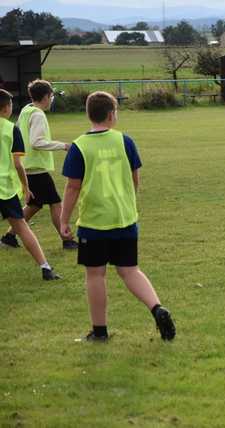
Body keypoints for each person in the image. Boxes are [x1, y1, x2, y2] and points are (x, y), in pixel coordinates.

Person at [60, 91, 175, 342]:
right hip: (125, 219)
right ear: (112, 115)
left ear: (88, 114)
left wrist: (63, 219)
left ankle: (100, 331)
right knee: (130, 270)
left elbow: (73, 187)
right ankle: (157, 308)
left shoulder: (79, 146)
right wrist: (126, 200)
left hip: (94, 222)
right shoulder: (126, 141)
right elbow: (135, 178)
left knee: (95, 275)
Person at [1, 79, 78, 250]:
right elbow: (37, 142)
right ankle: (67, 239)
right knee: (56, 203)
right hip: (35, 168)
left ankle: (9, 237)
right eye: (51, 96)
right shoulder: (37, 114)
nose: (52, 99)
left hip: (26, 165)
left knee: (34, 205)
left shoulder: (26, 111)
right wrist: (64, 146)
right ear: (45, 96)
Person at [0, 89, 60, 280]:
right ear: (7, 108)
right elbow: (17, 164)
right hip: (6, 188)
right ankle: (45, 267)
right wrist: (25, 187)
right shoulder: (11, 129)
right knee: (21, 226)